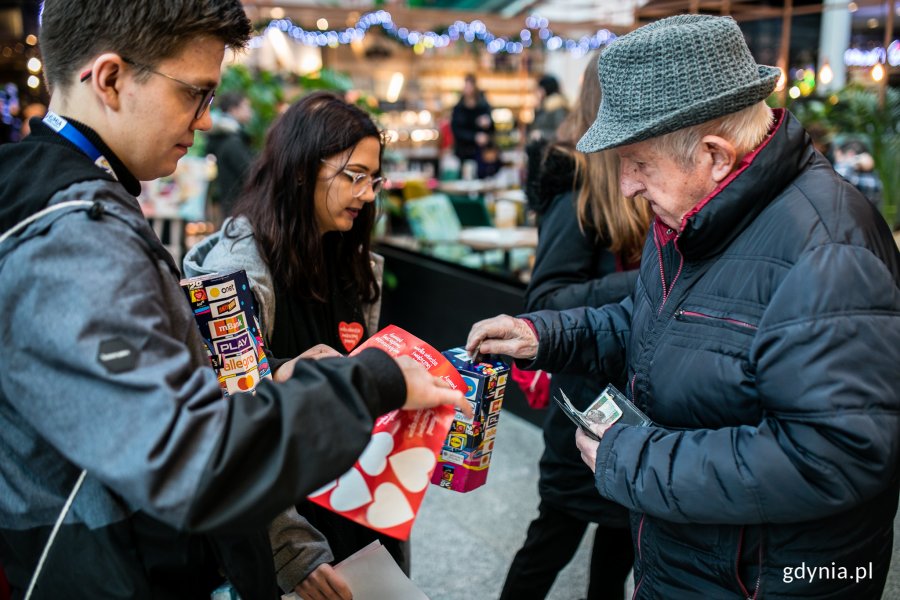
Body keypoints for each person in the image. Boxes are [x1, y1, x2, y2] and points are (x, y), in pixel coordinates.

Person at [0, 2, 468, 598]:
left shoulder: (60, 195)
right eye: (195, 93)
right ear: (111, 79)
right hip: (105, 564)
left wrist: (277, 383)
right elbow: (190, 457)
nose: (202, 120)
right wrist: (372, 381)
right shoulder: (77, 234)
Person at [466, 15, 900, 599]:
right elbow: (656, 322)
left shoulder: (826, 250)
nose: (625, 186)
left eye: (638, 163)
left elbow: (832, 456)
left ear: (715, 156)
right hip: (694, 562)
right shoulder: (699, 213)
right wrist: (544, 334)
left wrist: (633, 457)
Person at [183, 91, 401, 599]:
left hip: (354, 511)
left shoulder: (352, 259)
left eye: (373, 178)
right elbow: (227, 420)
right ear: (302, 169)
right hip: (283, 522)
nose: (367, 193)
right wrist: (291, 550)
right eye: (354, 175)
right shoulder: (235, 273)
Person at [501, 55, 650, 600]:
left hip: (636, 406)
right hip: (586, 405)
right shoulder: (577, 186)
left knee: (618, 549)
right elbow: (545, 301)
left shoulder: (641, 176)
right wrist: (645, 282)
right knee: (550, 543)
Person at [206, 90, 254, 222]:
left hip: (229, 205)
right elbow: (249, 172)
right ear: (234, 109)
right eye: (246, 106)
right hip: (237, 206)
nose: (250, 111)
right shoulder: (232, 141)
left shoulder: (223, 136)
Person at [451, 73, 494, 176]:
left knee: (481, 177)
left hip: (480, 153)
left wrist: (487, 123)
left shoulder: (483, 106)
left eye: (470, 86)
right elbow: (456, 130)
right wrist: (474, 137)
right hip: (463, 151)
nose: (468, 89)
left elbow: (492, 127)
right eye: (466, 86)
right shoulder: (459, 108)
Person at [833, 139, 882, 207]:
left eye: (837, 154)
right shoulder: (872, 179)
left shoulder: (843, 172)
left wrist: (853, 160)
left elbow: (839, 173)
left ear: (850, 154)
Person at [528, 74, 569, 143]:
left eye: (539, 89)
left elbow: (562, 132)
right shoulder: (544, 106)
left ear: (546, 89)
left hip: (550, 148)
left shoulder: (557, 107)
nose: (537, 92)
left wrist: (542, 134)